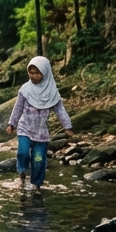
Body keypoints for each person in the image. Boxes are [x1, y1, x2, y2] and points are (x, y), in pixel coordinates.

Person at [6, 55, 73, 194]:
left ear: (45, 73)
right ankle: (22, 172)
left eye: (37, 73)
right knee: (23, 153)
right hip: (25, 129)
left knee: (38, 159)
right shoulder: (25, 89)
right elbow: (17, 108)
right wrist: (12, 123)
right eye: (31, 72)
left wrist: (67, 126)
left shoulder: (52, 92)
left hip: (41, 133)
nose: (33, 76)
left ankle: (36, 185)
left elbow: (60, 110)